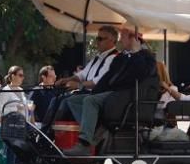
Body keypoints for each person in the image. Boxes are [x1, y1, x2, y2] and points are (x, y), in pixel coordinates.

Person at [64, 27, 157, 155]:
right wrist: (94, 92)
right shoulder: (122, 57)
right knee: (74, 100)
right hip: (114, 95)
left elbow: (140, 73)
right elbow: (107, 78)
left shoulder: (146, 57)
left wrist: (136, 52)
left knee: (91, 101)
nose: (120, 41)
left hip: (127, 98)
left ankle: (85, 143)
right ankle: (98, 130)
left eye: (123, 37)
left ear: (133, 39)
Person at [42, 25, 120, 130]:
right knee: (56, 99)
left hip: (96, 96)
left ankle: (51, 133)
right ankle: (45, 131)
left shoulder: (113, 58)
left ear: (112, 40)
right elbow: (82, 75)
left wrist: (78, 85)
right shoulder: (97, 58)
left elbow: (98, 82)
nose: (97, 41)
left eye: (100, 39)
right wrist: (66, 80)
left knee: (65, 101)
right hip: (86, 93)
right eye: (97, 38)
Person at [0, 65, 29, 164]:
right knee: (9, 160)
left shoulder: (21, 90)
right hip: (9, 132)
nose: (22, 78)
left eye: (23, 75)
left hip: (19, 130)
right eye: (20, 75)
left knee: (18, 159)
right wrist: (15, 109)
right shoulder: (5, 91)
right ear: (12, 76)